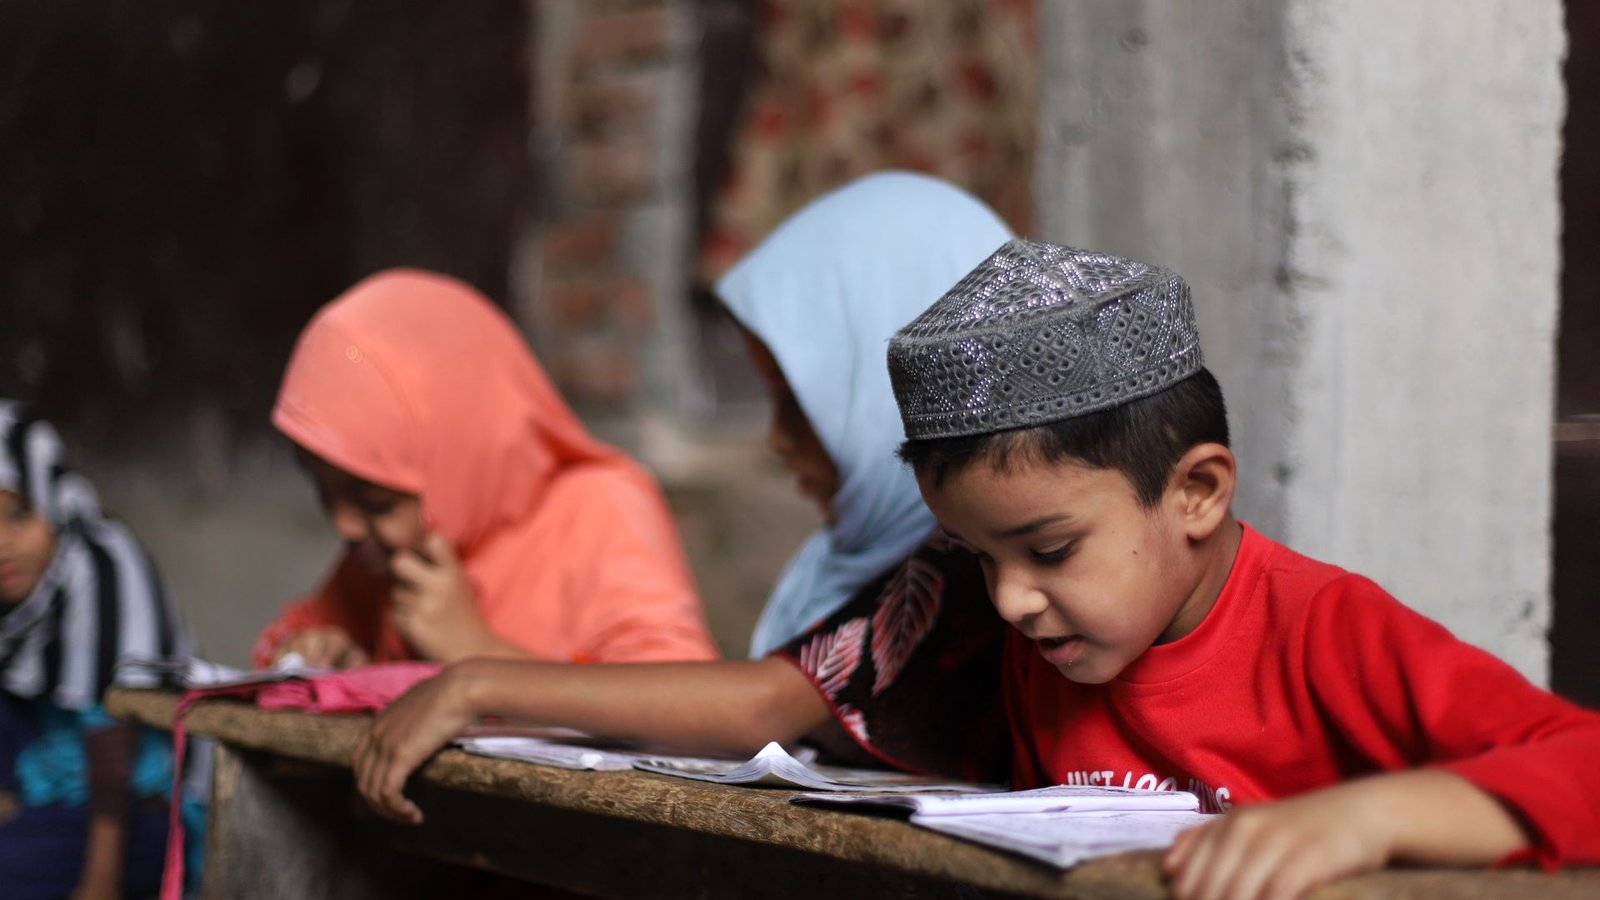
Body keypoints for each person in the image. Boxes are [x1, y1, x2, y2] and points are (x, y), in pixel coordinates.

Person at [886, 239, 1600, 899]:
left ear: (1196, 493)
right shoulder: (1052, 647)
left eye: (1051, 551)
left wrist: (1367, 818)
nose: (1010, 601)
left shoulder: (1328, 631)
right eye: (982, 557)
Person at [352, 171, 1016, 825]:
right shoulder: (853, 568)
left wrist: (476, 680)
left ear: (888, 389)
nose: (777, 440)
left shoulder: (973, 557)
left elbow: (760, 709)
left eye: (797, 399)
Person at [252, 270, 719, 668]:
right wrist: (324, 656)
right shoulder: (391, 554)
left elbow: (684, 708)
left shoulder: (602, 510)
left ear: (457, 460)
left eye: (376, 502)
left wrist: (478, 653)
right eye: (324, 494)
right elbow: (290, 639)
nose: (344, 526)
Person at [0, 402, 195, 899]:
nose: (2, 543)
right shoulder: (15, 597)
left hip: (131, 813)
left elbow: (112, 738)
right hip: (42, 794)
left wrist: (99, 883)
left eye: (18, 514)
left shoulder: (103, 567)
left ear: (52, 502)